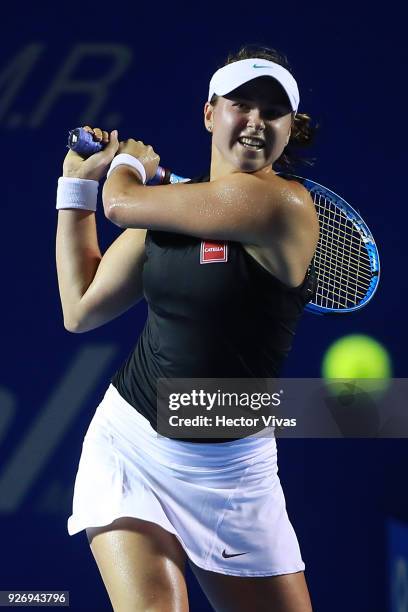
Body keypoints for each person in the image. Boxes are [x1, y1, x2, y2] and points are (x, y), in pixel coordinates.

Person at [56, 44, 319, 612]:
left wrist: (128, 164)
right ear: (210, 113)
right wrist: (75, 188)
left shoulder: (285, 206)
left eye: (272, 113)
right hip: (131, 442)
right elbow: (80, 308)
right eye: (240, 105)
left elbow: (122, 203)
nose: (254, 122)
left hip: (235, 471)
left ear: (289, 130)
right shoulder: (172, 212)